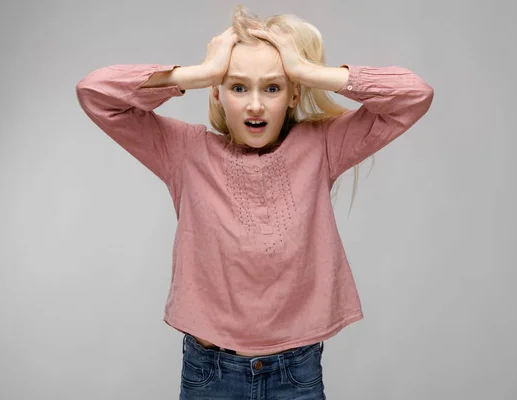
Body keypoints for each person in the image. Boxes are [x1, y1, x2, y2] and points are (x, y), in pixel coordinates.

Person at [76, 5, 433, 399]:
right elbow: (95, 92)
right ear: (217, 91)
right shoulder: (184, 151)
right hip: (209, 373)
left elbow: (414, 95)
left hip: (295, 372)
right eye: (238, 87)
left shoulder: (322, 146)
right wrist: (196, 73)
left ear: (293, 92)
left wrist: (309, 72)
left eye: (274, 87)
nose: (256, 105)